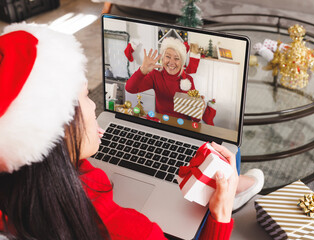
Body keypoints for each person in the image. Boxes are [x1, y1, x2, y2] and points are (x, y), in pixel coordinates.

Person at [0, 23, 263, 239]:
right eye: (86, 96)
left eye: (176, 58)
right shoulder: (133, 232)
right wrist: (222, 214)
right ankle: (230, 192)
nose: (95, 107)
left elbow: (195, 104)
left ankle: (231, 185)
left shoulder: (187, 79)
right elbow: (134, 88)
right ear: (59, 130)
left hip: (181, 127)